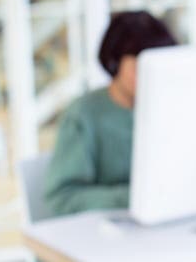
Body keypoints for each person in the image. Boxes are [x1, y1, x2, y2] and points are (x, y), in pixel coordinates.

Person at [43, 11, 176, 216]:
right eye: (139, 66)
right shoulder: (83, 115)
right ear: (115, 61)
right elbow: (62, 199)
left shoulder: (170, 109)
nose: (151, 75)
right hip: (102, 232)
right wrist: (135, 197)